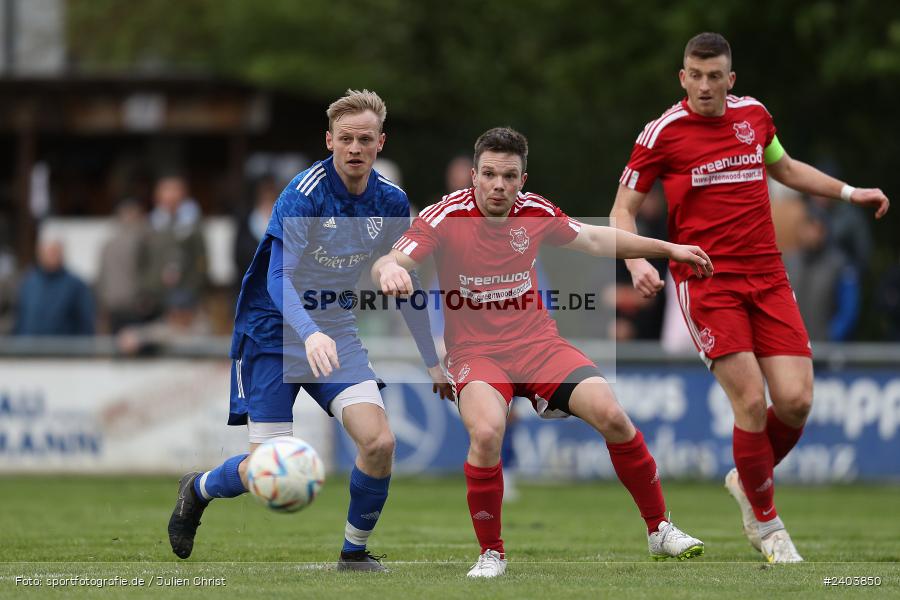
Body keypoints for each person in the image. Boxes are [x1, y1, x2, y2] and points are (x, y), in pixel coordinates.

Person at [372, 127, 712, 578]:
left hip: (538, 346)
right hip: (477, 353)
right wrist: (388, 271)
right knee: (487, 433)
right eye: (489, 174)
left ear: (522, 179)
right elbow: (390, 259)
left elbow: (595, 240)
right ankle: (491, 553)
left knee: (612, 415)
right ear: (474, 176)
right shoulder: (445, 215)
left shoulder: (535, 210)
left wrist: (668, 249)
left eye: (508, 176)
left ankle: (659, 529)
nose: (498, 185)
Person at [611, 32, 890, 563]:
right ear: (683, 78)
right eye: (696, 76)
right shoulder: (661, 133)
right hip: (707, 280)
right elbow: (623, 209)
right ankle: (768, 525)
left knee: (797, 401)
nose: (705, 86)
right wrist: (636, 260)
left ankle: (746, 478)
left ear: (730, 79)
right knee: (751, 402)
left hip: (767, 275)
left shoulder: (754, 117)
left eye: (715, 76)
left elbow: (785, 167)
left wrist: (850, 192)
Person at [167, 89, 449, 572]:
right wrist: (308, 331)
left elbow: (406, 281)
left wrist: (432, 360)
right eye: (346, 138)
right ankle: (198, 488)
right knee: (268, 471)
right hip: (272, 332)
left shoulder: (391, 201)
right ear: (329, 140)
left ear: (380, 143)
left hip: (334, 328)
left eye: (365, 139)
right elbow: (278, 277)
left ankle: (353, 554)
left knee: (379, 443)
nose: (355, 147)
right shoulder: (304, 193)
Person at [140, 174, 208, 320]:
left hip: (185, 297)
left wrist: (193, 287)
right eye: (166, 190)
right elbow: (142, 261)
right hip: (155, 297)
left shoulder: (192, 224)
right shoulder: (149, 225)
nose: (171, 196)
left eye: (175, 190)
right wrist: (148, 287)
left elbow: (201, 260)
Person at [13, 234, 95, 336]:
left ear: (62, 254)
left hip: (62, 345)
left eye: (54, 252)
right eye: (47, 252)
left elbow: (85, 323)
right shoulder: (28, 283)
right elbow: (19, 318)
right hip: (29, 344)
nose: (51, 256)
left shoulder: (76, 286)